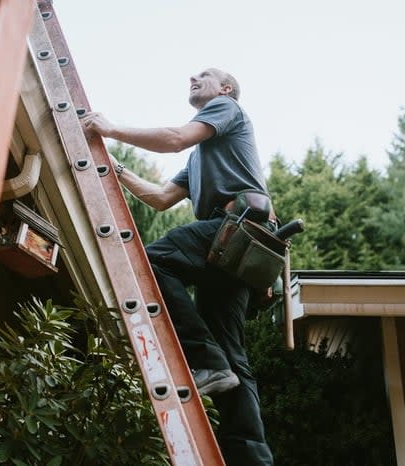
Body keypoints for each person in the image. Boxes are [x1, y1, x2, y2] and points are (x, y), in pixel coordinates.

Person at [83, 68, 275, 465]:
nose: (193, 76)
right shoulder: (201, 157)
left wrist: (111, 129)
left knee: (151, 261)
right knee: (233, 358)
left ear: (225, 89)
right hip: (231, 251)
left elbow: (173, 139)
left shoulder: (227, 108)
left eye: (204, 74)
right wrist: (111, 165)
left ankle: (205, 360)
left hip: (236, 232)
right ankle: (251, 457)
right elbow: (159, 197)